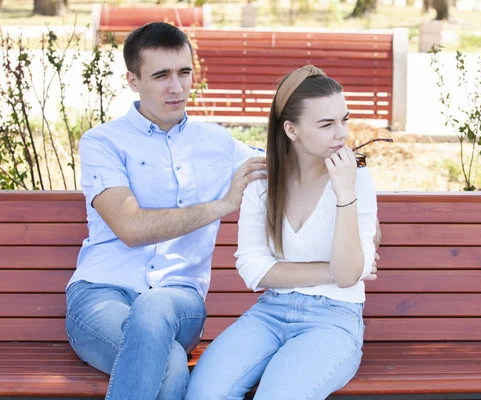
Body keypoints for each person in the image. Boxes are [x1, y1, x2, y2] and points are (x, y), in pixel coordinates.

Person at [65, 22, 267, 400]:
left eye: (184, 72)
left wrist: (348, 173)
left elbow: (285, 169)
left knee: (157, 304)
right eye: (161, 75)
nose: (177, 87)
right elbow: (131, 227)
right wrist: (222, 205)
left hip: (180, 301)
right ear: (132, 80)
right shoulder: (103, 142)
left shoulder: (218, 142)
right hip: (100, 297)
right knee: (171, 365)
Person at [185, 65, 378, 400]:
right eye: (327, 124)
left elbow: (348, 277)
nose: (342, 133)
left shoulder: (356, 181)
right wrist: (327, 270)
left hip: (333, 320)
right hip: (270, 311)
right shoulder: (263, 184)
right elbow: (253, 268)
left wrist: (345, 194)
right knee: (204, 393)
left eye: (344, 120)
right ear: (292, 129)